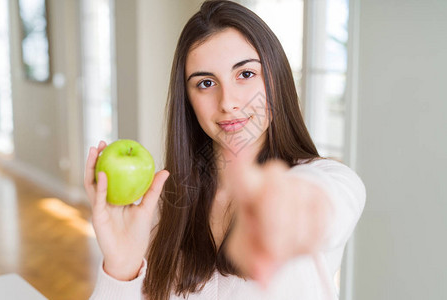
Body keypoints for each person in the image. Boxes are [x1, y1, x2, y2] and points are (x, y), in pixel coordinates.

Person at [84, 1, 366, 299]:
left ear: (276, 78)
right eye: (206, 83)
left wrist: (290, 206)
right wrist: (121, 269)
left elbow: (328, 202)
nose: (228, 102)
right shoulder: (163, 208)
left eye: (245, 74)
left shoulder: (330, 179)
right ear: (188, 100)